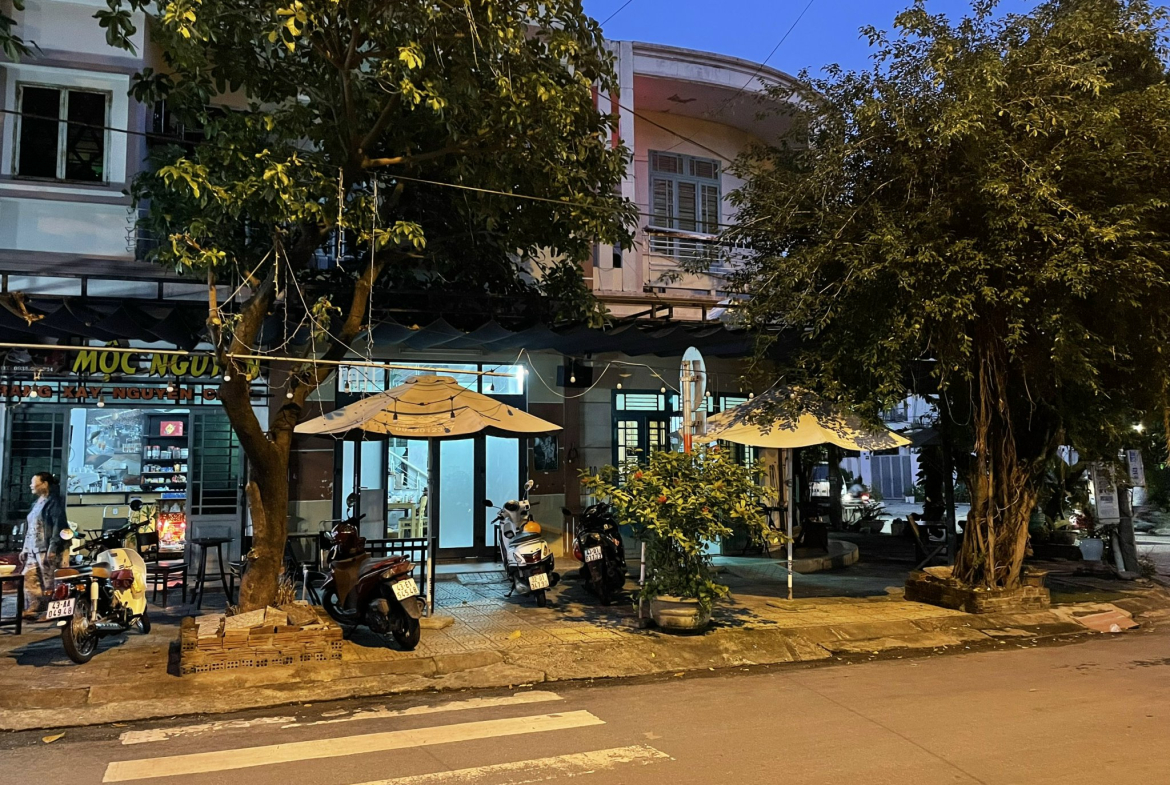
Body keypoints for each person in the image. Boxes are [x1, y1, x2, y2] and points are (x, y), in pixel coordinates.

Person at [19, 472, 69, 620]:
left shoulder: (54, 503)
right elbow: (30, 527)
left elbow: (58, 526)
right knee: (29, 576)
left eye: (34, 482)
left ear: (45, 484)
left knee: (50, 581)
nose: (31, 485)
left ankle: (51, 611)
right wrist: (25, 548)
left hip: (45, 548)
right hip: (33, 548)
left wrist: (53, 548)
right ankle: (34, 607)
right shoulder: (36, 503)